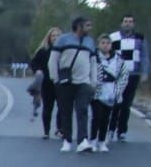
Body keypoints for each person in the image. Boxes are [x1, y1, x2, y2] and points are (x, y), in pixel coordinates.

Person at [49, 17, 98, 153]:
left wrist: (93, 81)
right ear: (79, 26)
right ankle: (67, 140)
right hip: (65, 82)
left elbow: (93, 62)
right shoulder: (63, 40)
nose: (90, 28)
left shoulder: (90, 41)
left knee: (82, 110)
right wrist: (55, 78)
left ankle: (83, 140)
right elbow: (53, 60)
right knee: (66, 111)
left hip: (84, 82)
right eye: (87, 25)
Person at [107, 14, 150, 141]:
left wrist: (145, 72)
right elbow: (107, 54)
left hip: (133, 74)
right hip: (116, 75)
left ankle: (122, 131)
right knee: (115, 103)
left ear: (133, 24)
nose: (127, 24)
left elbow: (144, 56)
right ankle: (111, 129)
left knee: (126, 104)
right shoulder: (113, 37)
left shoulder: (140, 38)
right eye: (125, 21)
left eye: (130, 22)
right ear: (121, 23)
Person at [90, 34, 129, 153]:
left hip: (111, 91)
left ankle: (102, 141)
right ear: (98, 44)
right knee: (97, 117)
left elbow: (124, 76)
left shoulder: (118, 59)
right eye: (103, 43)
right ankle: (92, 140)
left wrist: (117, 91)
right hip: (96, 92)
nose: (105, 45)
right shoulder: (93, 57)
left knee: (106, 119)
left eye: (108, 43)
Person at [28, 27, 59, 137]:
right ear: (49, 38)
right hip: (47, 82)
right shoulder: (43, 51)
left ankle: (60, 129)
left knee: (63, 107)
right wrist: (38, 71)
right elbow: (34, 63)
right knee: (48, 107)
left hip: (60, 82)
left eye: (58, 36)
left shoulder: (64, 51)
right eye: (53, 36)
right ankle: (46, 131)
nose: (55, 38)